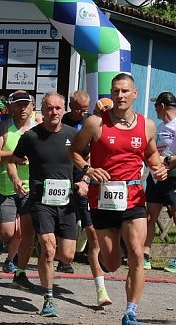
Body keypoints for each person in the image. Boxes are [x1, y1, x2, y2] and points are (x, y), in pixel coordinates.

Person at [70, 73, 169, 325]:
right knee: (112, 263)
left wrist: (159, 168)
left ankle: (131, 311)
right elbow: (73, 151)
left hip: (134, 197)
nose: (120, 95)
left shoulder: (147, 126)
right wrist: (88, 169)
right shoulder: (95, 123)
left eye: (125, 91)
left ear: (135, 94)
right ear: (111, 94)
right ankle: (110, 254)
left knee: (137, 253)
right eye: (116, 91)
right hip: (103, 199)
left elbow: (151, 155)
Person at [9, 91, 79, 317]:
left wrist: (85, 179)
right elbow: (13, 159)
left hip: (67, 201)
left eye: (58, 108)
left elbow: (86, 160)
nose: (54, 112)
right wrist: (17, 179)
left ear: (64, 110)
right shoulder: (31, 136)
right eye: (49, 108)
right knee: (49, 248)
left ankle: (45, 260)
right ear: (42, 110)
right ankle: (48, 298)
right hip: (41, 200)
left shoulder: (73, 134)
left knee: (67, 255)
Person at [61, 90, 111, 306]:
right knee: (61, 247)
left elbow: (90, 155)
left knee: (94, 234)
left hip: (84, 183)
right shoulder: (59, 121)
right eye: (78, 109)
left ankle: (100, 288)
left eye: (86, 109)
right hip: (59, 182)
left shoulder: (94, 125)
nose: (82, 113)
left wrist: (86, 179)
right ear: (70, 106)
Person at [143, 91, 176, 273]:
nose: (155, 109)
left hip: (175, 178)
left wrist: (169, 160)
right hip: (156, 177)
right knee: (150, 216)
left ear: (162, 106)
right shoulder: (159, 127)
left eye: (156, 105)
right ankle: (145, 255)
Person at [0, 90, 36, 274]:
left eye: (26, 104)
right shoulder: (3, 126)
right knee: (6, 233)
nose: (23, 108)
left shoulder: (37, 126)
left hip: (29, 185)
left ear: (32, 106)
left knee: (22, 231)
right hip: (5, 184)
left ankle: (10, 260)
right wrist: (15, 156)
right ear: (11, 107)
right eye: (18, 104)